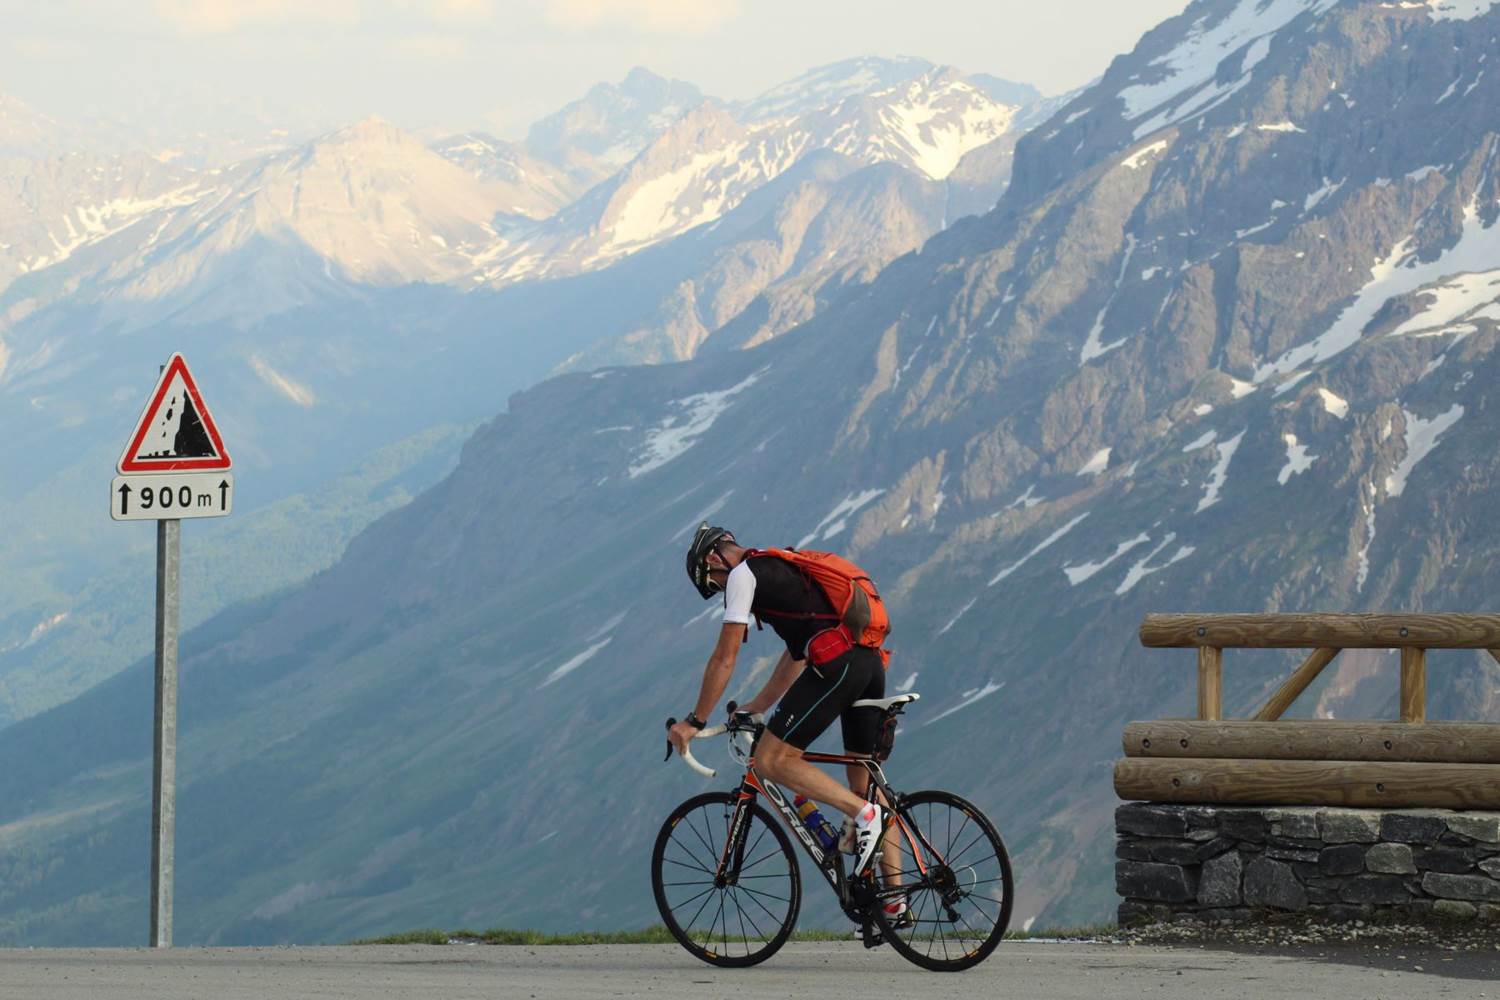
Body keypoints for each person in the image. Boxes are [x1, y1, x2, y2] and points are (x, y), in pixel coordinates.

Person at [668, 522, 904, 917]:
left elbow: (725, 656)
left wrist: (694, 720)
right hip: (867, 663)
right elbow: (797, 655)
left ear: (714, 558)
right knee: (864, 783)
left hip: (839, 666)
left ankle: (865, 818)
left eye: (714, 584)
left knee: (770, 761)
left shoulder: (744, 575)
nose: (720, 591)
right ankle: (894, 901)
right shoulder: (781, 570)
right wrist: (757, 705)